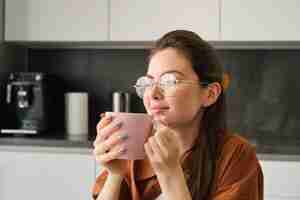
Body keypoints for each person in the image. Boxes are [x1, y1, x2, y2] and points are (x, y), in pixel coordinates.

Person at [92, 30, 263, 200]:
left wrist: (171, 174)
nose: (153, 93)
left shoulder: (236, 156)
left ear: (210, 94)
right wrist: (115, 174)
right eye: (148, 82)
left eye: (170, 81)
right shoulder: (134, 147)